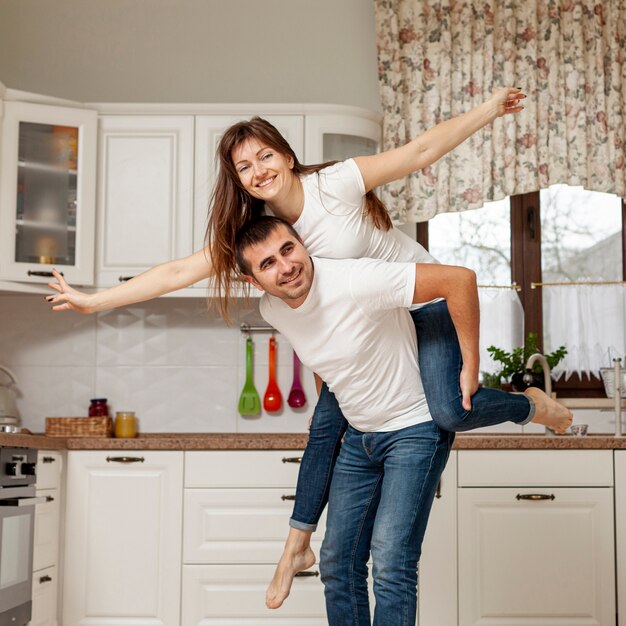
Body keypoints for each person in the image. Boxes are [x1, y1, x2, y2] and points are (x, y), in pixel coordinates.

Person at [45, 87, 573, 608]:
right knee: (325, 431)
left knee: (447, 410)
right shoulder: (263, 237)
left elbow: (419, 153)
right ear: (240, 183)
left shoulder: (333, 186)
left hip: (417, 302)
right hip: (372, 333)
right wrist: (96, 301)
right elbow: (180, 271)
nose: (258, 170)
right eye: (244, 167)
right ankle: (298, 546)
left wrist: (487, 110)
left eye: (265, 155)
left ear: (288, 156)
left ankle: (531, 405)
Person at [229, 215, 478, 624]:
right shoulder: (273, 308)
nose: (285, 266)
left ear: (302, 243)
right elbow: (321, 349)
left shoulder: (357, 279)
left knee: (391, 561)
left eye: (288, 249)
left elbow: (461, 279)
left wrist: (470, 365)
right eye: (268, 263)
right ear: (256, 281)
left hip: (414, 428)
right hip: (361, 436)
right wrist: (326, 405)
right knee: (337, 563)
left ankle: (529, 405)